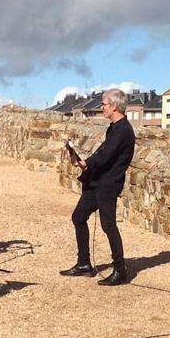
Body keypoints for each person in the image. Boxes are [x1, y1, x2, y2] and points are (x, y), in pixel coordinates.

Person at [60, 89, 136, 286]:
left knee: (108, 225)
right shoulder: (113, 128)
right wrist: (81, 159)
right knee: (79, 217)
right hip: (97, 182)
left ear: (113, 106)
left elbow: (106, 156)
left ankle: (121, 271)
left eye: (103, 104)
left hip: (109, 184)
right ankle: (84, 263)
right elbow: (103, 152)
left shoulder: (124, 130)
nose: (101, 107)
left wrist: (86, 163)